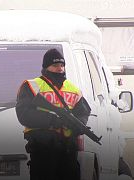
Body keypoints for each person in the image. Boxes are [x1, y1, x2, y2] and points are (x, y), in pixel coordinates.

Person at [15, 48, 91, 180]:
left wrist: (80, 125)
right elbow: (24, 114)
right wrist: (53, 120)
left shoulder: (73, 88)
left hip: (68, 148)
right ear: (46, 67)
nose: (60, 69)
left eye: (62, 65)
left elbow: (83, 111)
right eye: (55, 65)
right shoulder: (32, 86)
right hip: (42, 147)